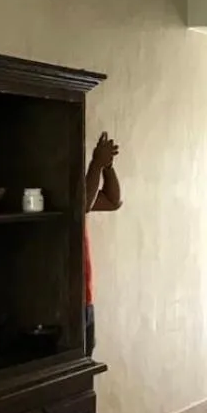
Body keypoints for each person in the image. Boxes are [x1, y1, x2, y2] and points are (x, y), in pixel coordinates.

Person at [84, 131, 122, 357]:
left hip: (85, 296)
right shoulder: (65, 193)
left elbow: (112, 200)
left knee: (86, 361)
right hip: (70, 298)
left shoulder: (82, 188)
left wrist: (107, 166)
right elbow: (83, 204)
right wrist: (97, 164)